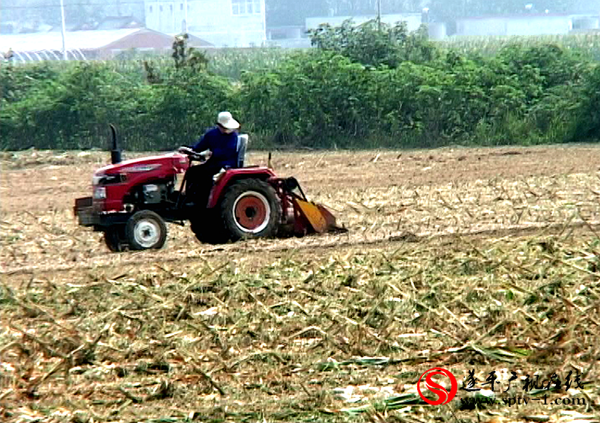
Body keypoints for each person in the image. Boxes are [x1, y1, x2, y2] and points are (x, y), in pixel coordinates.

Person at [185, 111, 241, 207]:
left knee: (205, 176)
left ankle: (202, 202)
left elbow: (228, 151)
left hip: (226, 163)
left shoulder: (233, 136)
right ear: (219, 125)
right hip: (213, 162)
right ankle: (189, 198)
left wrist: (213, 153)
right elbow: (199, 146)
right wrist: (188, 149)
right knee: (191, 172)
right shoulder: (211, 134)